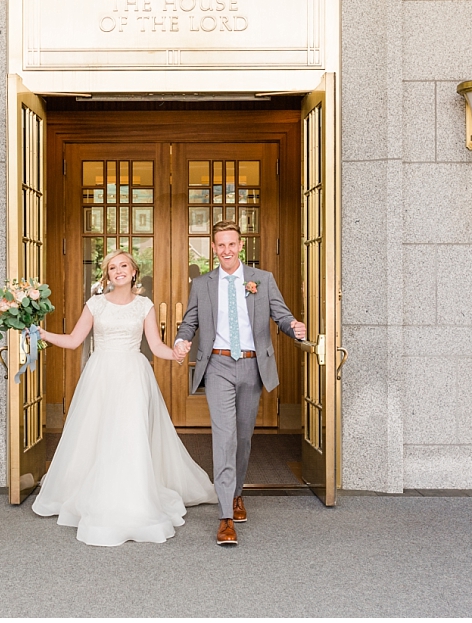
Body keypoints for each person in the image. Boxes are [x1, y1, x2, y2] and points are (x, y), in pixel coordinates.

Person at [33, 250, 217, 546]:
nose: (118, 271)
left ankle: (134, 498)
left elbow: (156, 346)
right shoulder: (95, 304)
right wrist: (43, 334)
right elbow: (74, 340)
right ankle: (98, 493)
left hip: (133, 374)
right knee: (98, 433)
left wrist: (176, 353)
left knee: (131, 434)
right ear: (106, 275)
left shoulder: (144, 305)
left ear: (134, 271)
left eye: (123, 266)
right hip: (101, 375)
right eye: (112, 267)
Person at [173, 220, 307, 546]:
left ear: (240, 246)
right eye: (221, 245)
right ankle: (225, 517)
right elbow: (190, 320)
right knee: (224, 437)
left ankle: (236, 493)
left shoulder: (262, 280)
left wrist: (293, 326)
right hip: (217, 363)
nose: (227, 250)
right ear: (214, 248)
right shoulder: (202, 284)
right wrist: (181, 339)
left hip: (252, 366)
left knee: (244, 437)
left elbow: (281, 314)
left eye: (232, 244)